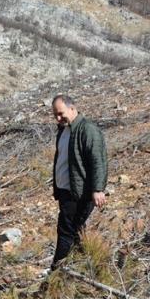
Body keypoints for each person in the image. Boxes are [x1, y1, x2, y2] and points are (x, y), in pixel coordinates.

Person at [50, 94, 108, 268]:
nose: (58, 118)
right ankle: (83, 266)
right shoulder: (64, 130)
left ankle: (57, 271)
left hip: (79, 193)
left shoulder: (87, 130)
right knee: (75, 230)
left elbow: (98, 160)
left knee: (66, 231)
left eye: (61, 113)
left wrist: (98, 189)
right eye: (55, 115)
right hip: (65, 191)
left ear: (72, 108)